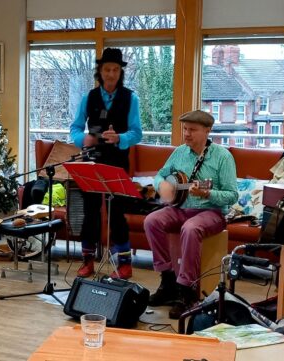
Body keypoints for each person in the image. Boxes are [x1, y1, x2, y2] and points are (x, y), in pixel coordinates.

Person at [144, 110, 238, 319]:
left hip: (210, 212)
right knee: (152, 220)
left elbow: (232, 195)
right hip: (180, 209)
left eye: (192, 130)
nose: (186, 134)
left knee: (191, 228)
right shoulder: (179, 152)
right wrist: (163, 186)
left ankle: (187, 290)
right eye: (185, 129)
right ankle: (167, 280)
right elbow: (160, 174)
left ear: (207, 130)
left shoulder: (222, 157)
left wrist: (208, 192)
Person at [69, 47, 143, 280]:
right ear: (99, 72)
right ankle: (88, 260)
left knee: (116, 212)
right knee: (90, 212)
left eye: (115, 70)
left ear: (121, 73)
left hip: (117, 161)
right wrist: (84, 139)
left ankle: (124, 264)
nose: (111, 74)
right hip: (91, 159)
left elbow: (137, 133)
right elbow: (75, 128)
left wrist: (120, 138)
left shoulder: (131, 98)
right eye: (107, 69)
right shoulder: (87, 97)